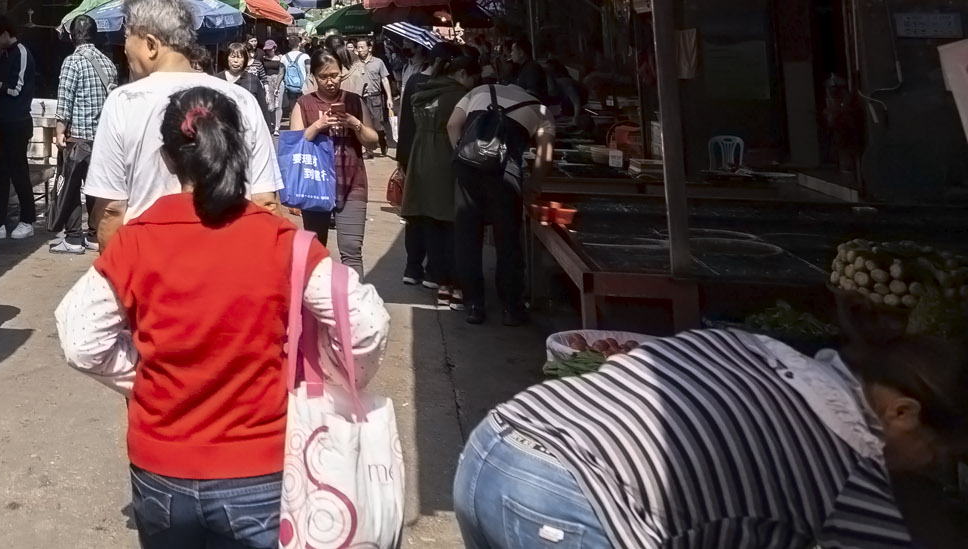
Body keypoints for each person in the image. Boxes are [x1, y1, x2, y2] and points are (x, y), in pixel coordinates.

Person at [57, 86, 390, 549]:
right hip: (260, 468)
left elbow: (80, 339)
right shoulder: (281, 241)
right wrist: (324, 378)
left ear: (169, 159)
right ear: (242, 150)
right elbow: (366, 323)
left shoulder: (136, 240)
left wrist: (147, 376)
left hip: (160, 469)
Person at [453, 325, 965, 549]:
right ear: (903, 411)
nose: (928, 468)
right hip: (564, 499)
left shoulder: (762, 348)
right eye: (937, 454)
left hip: (491, 450)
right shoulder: (853, 466)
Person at [83, 0, 284, 246]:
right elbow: (266, 201)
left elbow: (112, 210)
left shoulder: (122, 102)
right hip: (232, 262)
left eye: (126, 39)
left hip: (148, 265)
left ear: (151, 45)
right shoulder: (241, 100)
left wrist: (115, 273)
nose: (124, 50)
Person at [445, 65, 552, 325]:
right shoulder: (541, 110)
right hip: (506, 175)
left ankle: (474, 305)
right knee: (507, 241)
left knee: (467, 237)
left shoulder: (480, 89)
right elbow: (545, 155)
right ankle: (511, 308)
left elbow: (452, 125)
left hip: (468, 170)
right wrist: (533, 185)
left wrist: (464, 154)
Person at [397, 46, 475, 304]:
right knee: (452, 221)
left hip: (420, 155)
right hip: (445, 157)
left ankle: (436, 278)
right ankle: (451, 281)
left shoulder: (421, 88)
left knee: (427, 218)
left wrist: (402, 158)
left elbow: (405, 123)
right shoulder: (459, 95)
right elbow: (456, 127)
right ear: (462, 73)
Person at [287, 50, 379, 273]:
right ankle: (319, 304)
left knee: (351, 250)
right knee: (315, 250)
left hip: (352, 184)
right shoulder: (304, 103)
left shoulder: (354, 102)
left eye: (335, 75)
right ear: (314, 77)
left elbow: (373, 143)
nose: (330, 82)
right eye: (323, 77)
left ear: (342, 74)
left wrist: (354, 123)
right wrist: (319, 125)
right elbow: (295, 144)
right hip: (316, 185)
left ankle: (352, 305)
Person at [50, 16, 118, 255]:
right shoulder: (109, 64)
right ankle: (94, 235)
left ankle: (73, 239)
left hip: (77, 138)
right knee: (96, 189)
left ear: (72, 36)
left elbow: (65, 99)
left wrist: (59, 131)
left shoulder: (72, 61)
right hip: (102, 140)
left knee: (70, 189)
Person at [0, 16, 38, 240]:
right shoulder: (6, 55)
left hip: (18, 123)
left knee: (19, 172)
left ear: (6, 33)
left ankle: (28, 219)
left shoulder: (21, 53)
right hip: (3, 123)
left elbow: (16, 89)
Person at [353, 37, 393, 155]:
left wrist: (389, 98)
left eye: (362, 47)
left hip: (375, 97)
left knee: (378, 124)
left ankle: (382, 140)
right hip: (361, 98)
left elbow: (385, 80)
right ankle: (369, 149)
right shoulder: (355, 63)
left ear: (369, 48)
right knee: (364, 123)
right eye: (358, 48)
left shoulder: (378, 62)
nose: (360, 50)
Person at [223, 42, 272, 129]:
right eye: (232, 56)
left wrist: (267, 131)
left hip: (247, 130)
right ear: (227, 58)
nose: (235, 61)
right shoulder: (218, 79)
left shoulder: (252, 80)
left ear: (245, 59)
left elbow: (262, 109)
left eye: (239, 57)